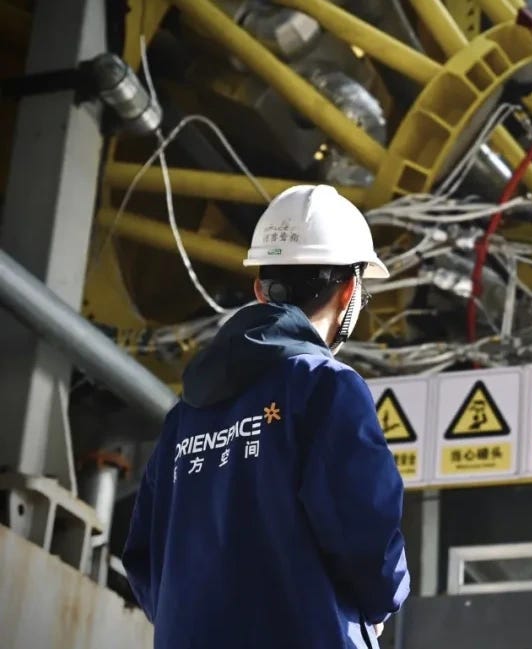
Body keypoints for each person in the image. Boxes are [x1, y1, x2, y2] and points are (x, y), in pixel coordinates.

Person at [123, 185, 410, 649]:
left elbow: (143, 557)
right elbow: (366, 531)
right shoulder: (326, 387)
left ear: (260, 290)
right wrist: (381, 601)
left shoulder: (184, 416)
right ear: (350, 289)